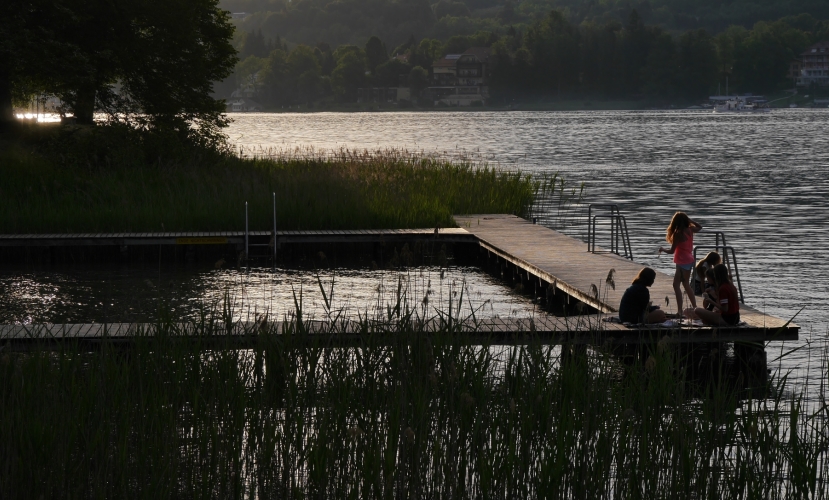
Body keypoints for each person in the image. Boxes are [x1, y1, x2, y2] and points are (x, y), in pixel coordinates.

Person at [658, 211, 702, 313]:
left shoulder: (678, 234)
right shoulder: (690, 230)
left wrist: (663, 249)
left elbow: (672, 251)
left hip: (682, 261)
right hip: (689, 260)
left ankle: (680, 311)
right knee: (686, 284)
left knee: (676, 285)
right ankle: (695, 307)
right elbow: (700, 227)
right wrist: (690, 221)